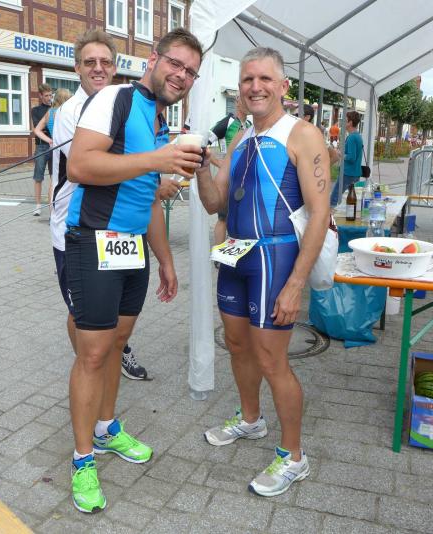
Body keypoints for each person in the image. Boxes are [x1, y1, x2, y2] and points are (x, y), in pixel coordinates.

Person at [63, 28, 203, 513]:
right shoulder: (114, 99)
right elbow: (80, 166)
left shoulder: (160, 119)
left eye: (190, 72)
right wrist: (157, 159)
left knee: (117, 343)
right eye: (175, 64)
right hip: (93, 239)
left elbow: (147, 200)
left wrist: (165, 260)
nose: (181, 75)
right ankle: (82, 459)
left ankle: (105, 429)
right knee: (93, 353)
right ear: (153, 59)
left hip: (132, 247)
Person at [194, 47, 330, 497]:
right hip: (236, 256)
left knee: (272, 360)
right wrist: (201, 166)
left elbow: (320, 213)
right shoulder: (240, 137)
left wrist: (295, 285)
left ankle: (294, 457)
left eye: (265, 79)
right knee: (237, 345)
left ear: (283, 86)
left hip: (275, 259)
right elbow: (215, 203)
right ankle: (251, 419)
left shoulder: (302, 134)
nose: (255, 87)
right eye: (248, 79)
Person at [50, 30, 157, 387]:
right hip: (75, 228)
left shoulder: (123, 102)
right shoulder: (71, 111)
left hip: (118, 229)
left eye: (105, 62)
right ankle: (89, 368)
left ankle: (109, 356)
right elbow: (90, 168)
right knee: (80, 312)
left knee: (114, 315)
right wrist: (154, 172)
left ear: (115, 67)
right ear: (77, 68)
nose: (98, 68)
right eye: (90, 62)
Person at [210, 98, 251, 248]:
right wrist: (219, 163)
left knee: (242, 215)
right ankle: (217, 254)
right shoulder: (227, 122)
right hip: (227, 177)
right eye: (244, 100)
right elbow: (204, 143)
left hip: (244, 177)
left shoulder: (250, 125)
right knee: (223, 217)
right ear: (237, 102)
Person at [34, 88, 72, 209]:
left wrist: (50, 140)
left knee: (54, 181)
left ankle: (52, 212)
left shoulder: (49, 112)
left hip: (54, 149)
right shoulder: (66, 112)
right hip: (66, 149)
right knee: (68, 180)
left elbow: (37, 130)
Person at [330, 110, 363, 206]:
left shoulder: (352, 137)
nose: (343, 122)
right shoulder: (357, 136)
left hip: (348, 173)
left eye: (345, 120)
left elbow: (351, 157)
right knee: (351, 201)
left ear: (350, 123)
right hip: (354, 172)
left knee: (334, 199)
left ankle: (330, 214)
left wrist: (340, 154)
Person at [30, 83, 54, 216]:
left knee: (54, 177)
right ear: (40, 96)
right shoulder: (35, 110)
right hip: (41, 146)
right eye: (46, 96)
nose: (49, 98)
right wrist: (46, 130)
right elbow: (38, 128)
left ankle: (52, 205)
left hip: (55, 146)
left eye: (50, 95)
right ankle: (38, 205)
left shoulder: (55, 108)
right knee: (38, 176)